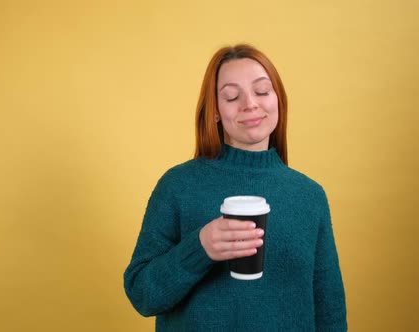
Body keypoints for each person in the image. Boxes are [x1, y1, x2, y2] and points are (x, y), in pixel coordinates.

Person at [123, 44, 347, 331]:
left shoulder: (309, 196)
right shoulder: (177, 186)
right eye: (231, 96)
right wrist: (200, 247)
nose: (250, 104)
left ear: (278, 100)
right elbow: (142, 295)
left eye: (262, 91)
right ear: (215, 111)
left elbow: (330, 313)